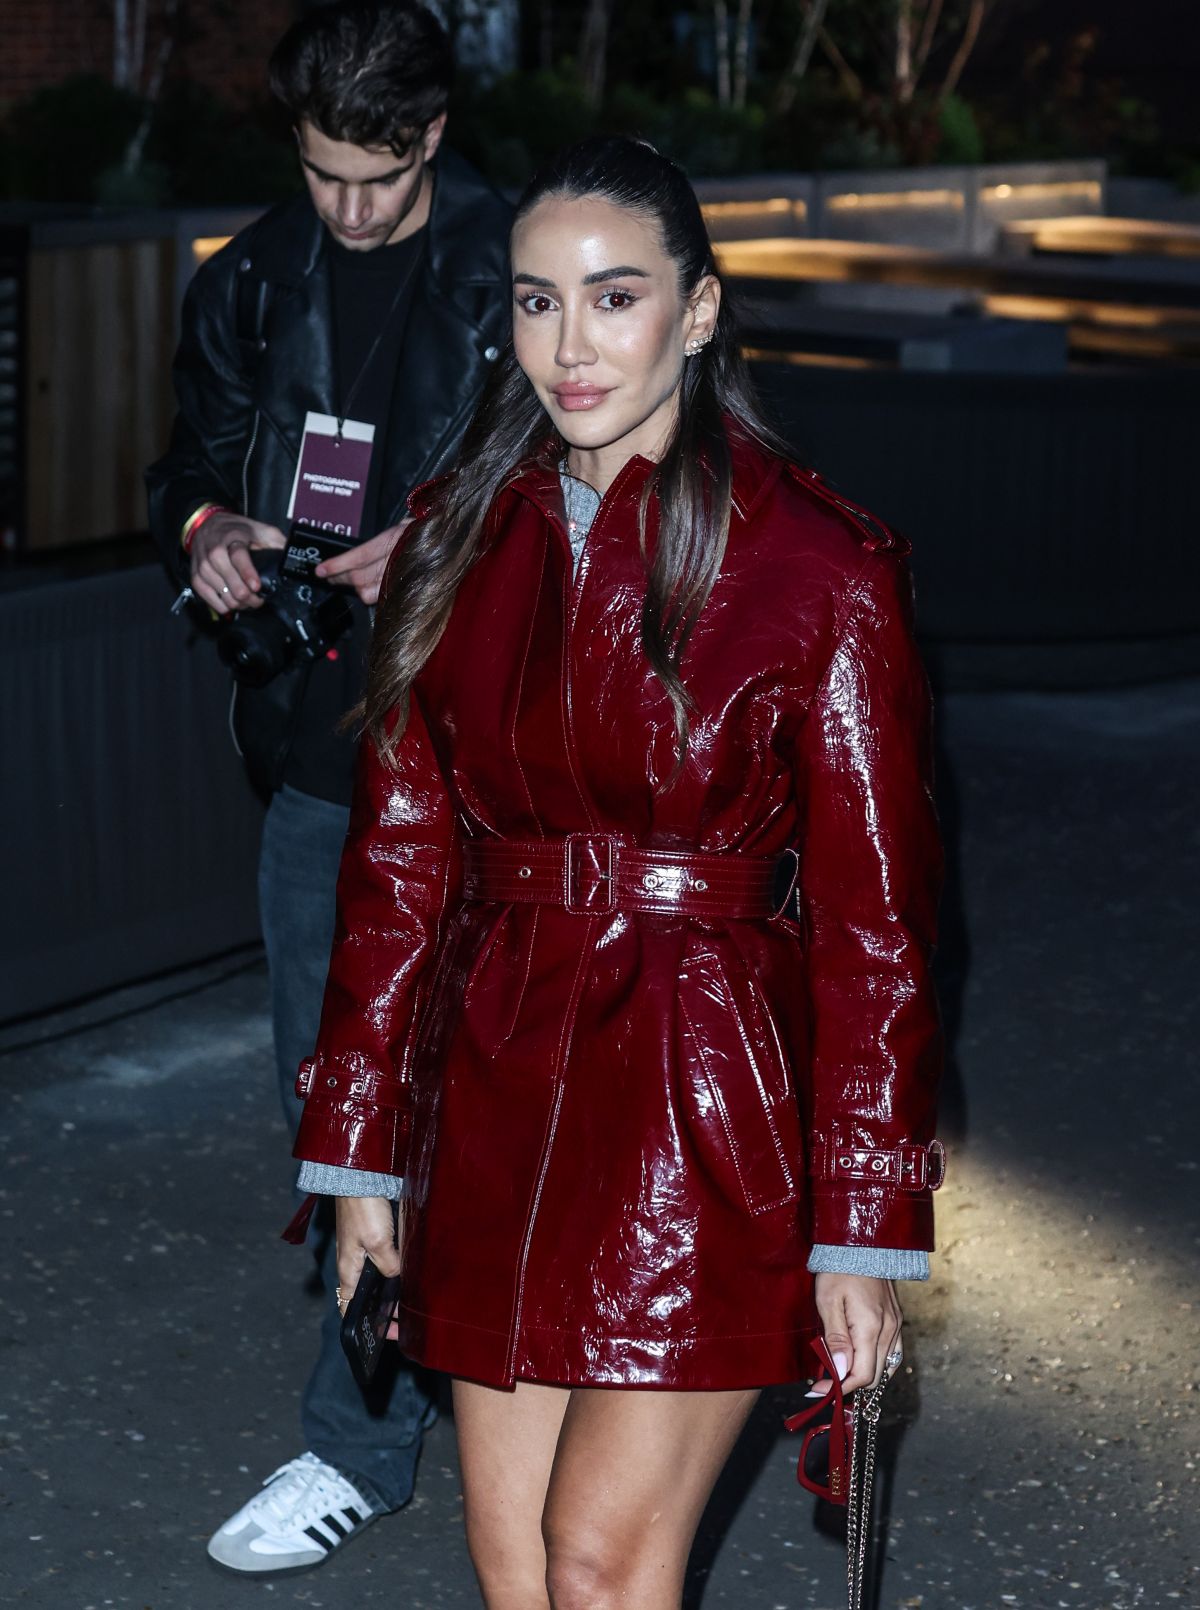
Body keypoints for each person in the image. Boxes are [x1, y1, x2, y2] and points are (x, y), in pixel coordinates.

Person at [292, 134, 944, 1608]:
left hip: (706, 1100)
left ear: (698, 312)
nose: (570, 346)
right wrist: (359, 1149)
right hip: (501, 1078)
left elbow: (877, 925)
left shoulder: (824, 569)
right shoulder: (460, 537)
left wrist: (867, 1222)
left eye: (614, 297)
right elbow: (401, 861)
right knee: (512, 1561)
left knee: (597, 1559)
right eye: (536, 302)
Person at [145, 0, 511, 1576]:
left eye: (379, 174)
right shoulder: (250, 284)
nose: (350, 209)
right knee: (338, 1111)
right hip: (319, 753)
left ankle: (475, 1403)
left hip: (502, 764)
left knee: (507, 1102)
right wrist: (208, 531)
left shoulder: (530, 266)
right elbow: (186, 461)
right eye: (322, 176)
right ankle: (374, 1433)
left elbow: (627, 483)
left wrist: (442, 548)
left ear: (433, 133)